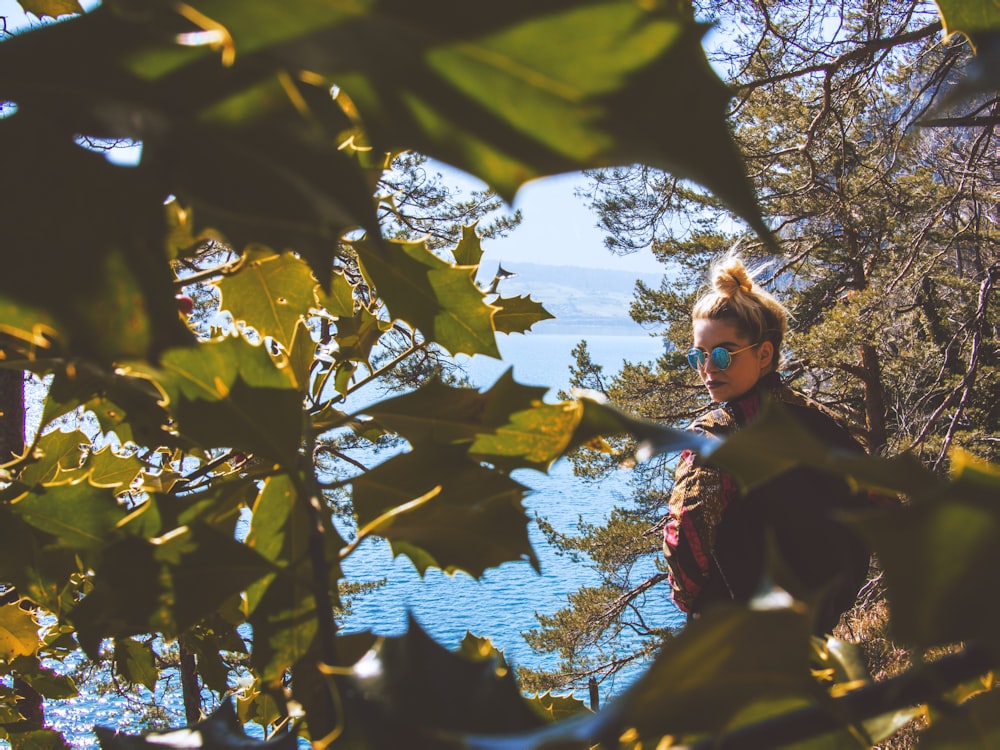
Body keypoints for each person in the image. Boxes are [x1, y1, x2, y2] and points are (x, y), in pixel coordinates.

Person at [662, 253, 872, 635]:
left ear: (764, 354)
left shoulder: (714, 439)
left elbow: (685, 548)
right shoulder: (823, 422)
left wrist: (698, 606)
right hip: (815, 630)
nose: (708, 368)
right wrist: (835, 603)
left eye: (723, 354)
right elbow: (872, 507)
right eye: (699, 355)